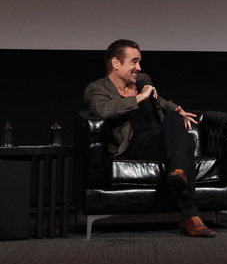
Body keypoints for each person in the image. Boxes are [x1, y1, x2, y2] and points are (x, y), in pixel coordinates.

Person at [84, 39, 216, 238]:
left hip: (159, 141)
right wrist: (139, 98)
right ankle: (189, 216)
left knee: (175, 122)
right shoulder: (97, 88)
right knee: (186, 142)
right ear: (116, 63)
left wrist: (177, 110)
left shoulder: (143, 79)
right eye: (134, 62)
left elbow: (158, 100)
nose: (139, 67)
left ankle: (178, 172)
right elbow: (103, 110)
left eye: (139, 62)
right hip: (133, 144)